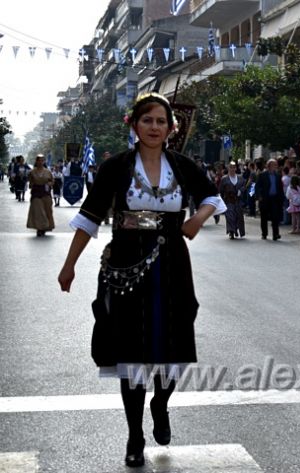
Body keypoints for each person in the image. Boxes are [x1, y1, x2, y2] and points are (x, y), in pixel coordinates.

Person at [57, 93, 226, 468]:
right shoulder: (115, 167)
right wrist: (69, 265)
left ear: (171, 128)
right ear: (134, 125)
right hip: (126, 265)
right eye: (147, 120)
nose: (154, 127)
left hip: (173, 264)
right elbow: (89, 217)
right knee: (130, 352)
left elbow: (213, 196)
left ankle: (161, 404)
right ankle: (134, 435)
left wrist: (196, 220)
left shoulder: (182, 166)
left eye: (161, 121)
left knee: (174, 341)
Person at [255, 158, 284, 240]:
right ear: (269, 166)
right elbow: (257, 187)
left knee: (275, 217)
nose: (275, 167)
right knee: (264, 217)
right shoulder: (262, 175)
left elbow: (280, 188)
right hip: (265, 199)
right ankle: (264, 233)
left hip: (274, 199)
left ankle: (276, 234)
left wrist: (281, 198)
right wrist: (259, 196)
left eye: (276, 165)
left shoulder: (278, 176)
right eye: (274, 165)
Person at [26, 154, 55, 237]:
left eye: (42, 160)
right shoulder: (32, 172)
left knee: (47, 211)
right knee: (39, 211)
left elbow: (52, 181)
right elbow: (30, 183)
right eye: (39, 160)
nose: (41, 162)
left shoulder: (48, 172)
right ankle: (40, 228)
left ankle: (45, 227)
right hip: (36, 194)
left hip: (46, 193)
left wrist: (49, 184)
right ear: (36, 161)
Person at [219, 161, 247, 239]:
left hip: (238, 201)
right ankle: (231, 231)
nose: (232, 169)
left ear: (236, 168)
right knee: (230, 216)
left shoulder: (240, 178)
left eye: (233, 167)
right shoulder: (224, 178)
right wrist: (220, 201)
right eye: (230, 167)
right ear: (228, 168)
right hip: (228, 200)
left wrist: (240, 191)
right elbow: (220, 190)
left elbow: (244, 186)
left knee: (238, 217)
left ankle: (236, 229)